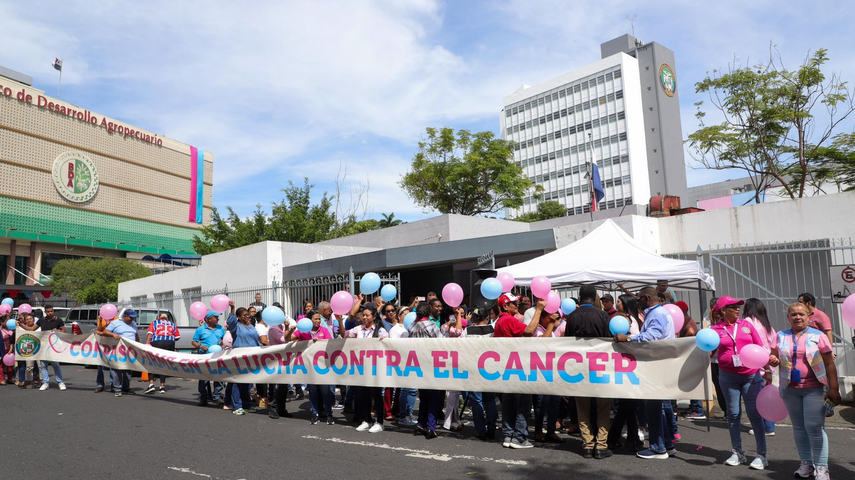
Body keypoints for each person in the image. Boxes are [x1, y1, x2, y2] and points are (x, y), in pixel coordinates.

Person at [769, 303, 841, 480]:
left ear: (808, 316)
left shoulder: (819, 336)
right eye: (793, 314)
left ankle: (822, 468)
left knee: (814, 427)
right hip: (790, 389)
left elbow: (829, 363)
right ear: (788, 317)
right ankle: (806, 464)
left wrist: (834, 389)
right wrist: (773, 360)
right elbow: (773, 356)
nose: (798, 317)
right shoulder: (780, 335)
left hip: (814, 389)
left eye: (801, 314)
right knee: (799, 427)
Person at [614, 286, 676, 460]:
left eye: (639, 299)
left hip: (656, 366)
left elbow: (651, 338)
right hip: (659, 364)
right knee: (658, 408)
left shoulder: (657, 314)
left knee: (653, 408)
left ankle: (658, 448)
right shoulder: (658, 313)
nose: (637, 302)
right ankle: (667, 444)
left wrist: (627, 338)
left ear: (647, 298)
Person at [710, 296, 769, 470]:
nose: (738, 309)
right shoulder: (714, 330)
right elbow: (709, 351)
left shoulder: (746, 325)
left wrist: (767, 371)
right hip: (728, 376)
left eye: (738, 306)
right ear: (722, 311)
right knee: (733, 414)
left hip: (750, 375)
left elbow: (759, 347)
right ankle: (738, 452)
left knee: (754, 414)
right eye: (733, 307)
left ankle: (761, 455)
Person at [565, 285, 612, 459]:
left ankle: (587, 444)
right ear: (595, 297)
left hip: (579, 368)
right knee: (603, 407)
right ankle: (601, 446)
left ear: (579, 296)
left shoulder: (572, 316)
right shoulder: (602, 315)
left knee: (582, 408)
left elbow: (566, 342)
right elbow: (609, 339)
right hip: (600, 367)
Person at [493, 292, 540, 449]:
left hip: (507, 367)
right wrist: (539, 310)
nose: (516, 305)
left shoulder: (500, 321)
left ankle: (508, 434)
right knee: (523, 402)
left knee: (509, 403)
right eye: (513, 303)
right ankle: (519, 437)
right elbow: (529, 331)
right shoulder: (508, 320)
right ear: (505, 306)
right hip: (516, 366)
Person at [407, 302, 459, 439]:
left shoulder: (411, 326)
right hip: (431, 363)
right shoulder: (431, 325)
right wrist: (447, 329)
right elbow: (441, 342)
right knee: (434, 397)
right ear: (428, 312)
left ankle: (421, 423)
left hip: (418, 363)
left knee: (424, 396)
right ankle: (431, 427)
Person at [341, 301, 388, 433]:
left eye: (367, 315)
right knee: (363, 394)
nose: (365, 317)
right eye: (364, 315)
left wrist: (383, 341)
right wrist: (339, 322)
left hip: (375, 368)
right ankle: (366, 420)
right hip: (361, 368)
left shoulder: (380, 330)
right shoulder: (358, 329)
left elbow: (387, 345)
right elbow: (345, 335)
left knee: (376, 395)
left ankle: (379, 422)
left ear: (374, 317)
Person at [608, 294, 644, 450]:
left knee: (627, 405)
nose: (617, 304)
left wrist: (625, 338)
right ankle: (631, 438)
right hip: (623, 364)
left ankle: (617, 437)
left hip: (629, 365)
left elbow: (635, 339)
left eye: (619, 301)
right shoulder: (624, 319)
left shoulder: (630, 320)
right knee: (628, 405)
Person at [293, 309, 335, 425]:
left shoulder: (324, 330)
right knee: (313, 391)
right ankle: (315, 414)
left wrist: (320, 341)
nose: (318, 321)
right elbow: (289, 338)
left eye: (319, 319)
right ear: (309, 320)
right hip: (309, 366)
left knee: (325, 391)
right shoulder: (303, 330)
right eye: (316, 319)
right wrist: (290, 330)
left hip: (322, 366)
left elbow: (331, 343)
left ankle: (329, 414)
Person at [742, 298, 777, 436]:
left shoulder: (747, 322)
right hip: (769, 363)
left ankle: (764, 427)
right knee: (767, 398)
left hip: (756, 363)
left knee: (757, 398)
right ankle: (770, 426)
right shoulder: (767, 324)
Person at [463, 307, 498, 441]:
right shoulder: (493, 330)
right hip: (490, 369)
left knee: (476, 400)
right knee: (490, 399)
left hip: (473, 368)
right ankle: (492, 427)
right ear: (487, 318)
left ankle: (480, 430)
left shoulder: (467, 331)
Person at [532, 307, 562, 444]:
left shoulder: (551, 330)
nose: (552, 320)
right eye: (549, 318)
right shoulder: (537, 330)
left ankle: (551, 431)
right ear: (542, 318)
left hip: (553, 369)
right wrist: (551, 324)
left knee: (555, 401)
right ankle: (538, 430)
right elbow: (543, 342)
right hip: (541, 370)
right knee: (542, 402)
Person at [227, 303, 262, 415]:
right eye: (245, 315)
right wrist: (232, 308)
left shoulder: (251, 326)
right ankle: (236, 406)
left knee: (247, 382)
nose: (248, 317)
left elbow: (256, 340)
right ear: (239, 317)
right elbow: (231, 321)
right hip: (240, 357)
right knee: (238, 382)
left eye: (248, 315)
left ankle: (246, 405)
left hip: (251, 357)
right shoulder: (236, 327)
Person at [97, 309, 139, 397]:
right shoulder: (116, 323)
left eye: (133, 318)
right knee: (117, 369)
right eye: (130, 317)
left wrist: (138, 345)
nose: (132, 319)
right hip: (118, 350)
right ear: (125, 316)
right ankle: (117, 388)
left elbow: (136, 335)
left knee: (128, 369)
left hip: (130, 350)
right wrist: (113, 335)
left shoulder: (134, 324)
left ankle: (126, 388)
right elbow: (105, 332)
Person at [192, 310, 226, 407]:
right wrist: (201, 346)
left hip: (217, 356)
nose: (218, 319)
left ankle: (217, 396)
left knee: (218, 376)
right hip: (204, 357)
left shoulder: (220, 328)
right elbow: (194, 342)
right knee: (204, 377)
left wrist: (222, 343)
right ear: (208, 319)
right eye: (215, 317)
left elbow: (224, 339)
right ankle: (204, 397)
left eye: (217, 317)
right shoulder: (200, 329)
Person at [144, 313, 180, 394]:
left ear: (159, 317)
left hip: (157, 342)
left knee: (151, 362)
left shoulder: (155, 323)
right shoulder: (172, 324)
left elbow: (150, 334)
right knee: (163, 364)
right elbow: (177, 337)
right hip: (170, 343)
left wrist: (147, 344)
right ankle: (162, 387)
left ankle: (151, 385)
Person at [265, 320, 293, 420]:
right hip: (277, 359)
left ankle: (281, 408)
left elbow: (290, 338)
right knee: (280, 386)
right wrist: (288, 329)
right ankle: (274, 408)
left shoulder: (282, 327)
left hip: (285, 358)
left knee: (284, 386)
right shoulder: (273, 329)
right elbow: (284, 339)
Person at [38, 305, 67, 391]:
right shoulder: (41, 320)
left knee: (55, 364)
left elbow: (64, 331)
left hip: (54, 346)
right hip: (44, 345)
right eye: (48, 311)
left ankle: (60, 382)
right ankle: (45, 383)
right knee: (43, 365)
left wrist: (58, 330)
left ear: (53, 311)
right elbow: (32, 328)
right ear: (45, 312)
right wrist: (21, 325)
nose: (50, 313)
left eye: (51, 311)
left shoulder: (58, 320)